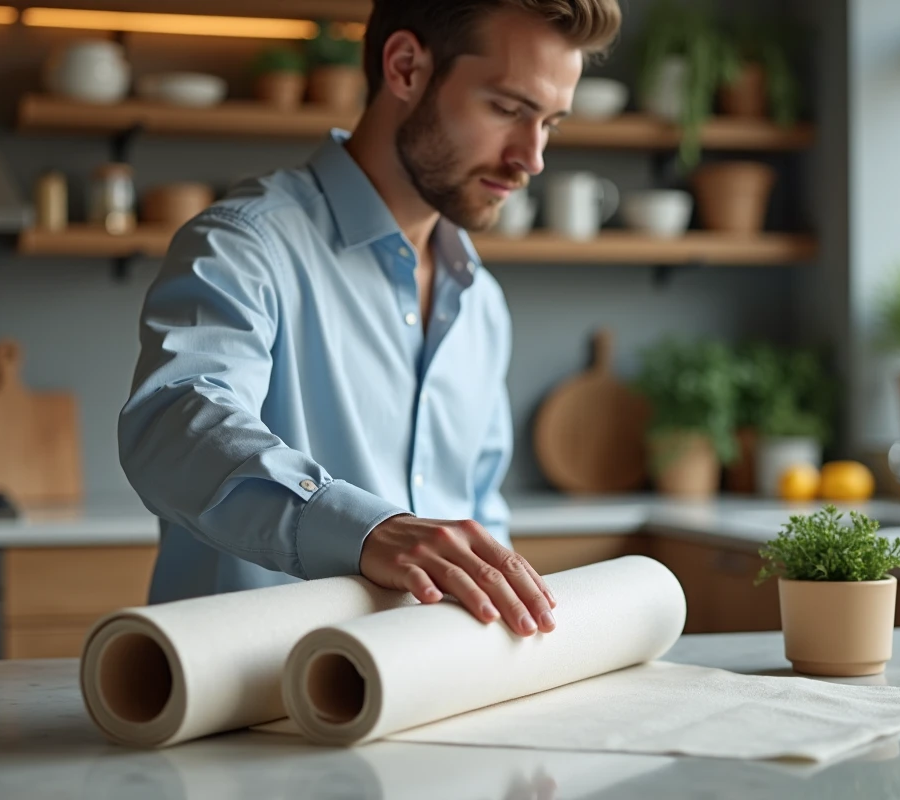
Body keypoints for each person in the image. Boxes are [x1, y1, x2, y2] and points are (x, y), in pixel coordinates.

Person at [119, 0, 622, 638]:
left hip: (420, 700)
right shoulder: (242, 245)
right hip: (242, 708)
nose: (532, 157)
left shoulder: (481, 303)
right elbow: (174, 424)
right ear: (406, 68)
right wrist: (366, 531)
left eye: (549, 122)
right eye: (507, 109)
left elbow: (478, 520)